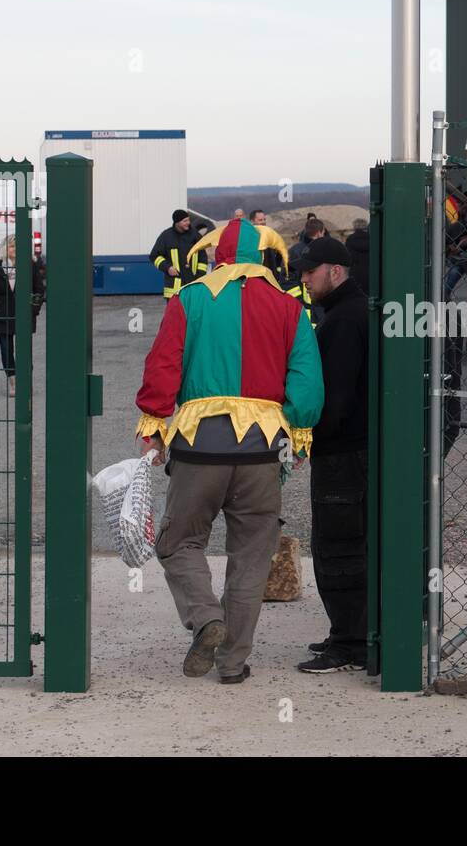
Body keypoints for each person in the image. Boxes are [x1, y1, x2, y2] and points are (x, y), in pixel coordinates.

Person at [135, 218, 324, 684]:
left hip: (198, 446)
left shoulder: (189, 299)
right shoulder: (289, 306)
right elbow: (307, 383)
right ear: (262, 256)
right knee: (252, 556)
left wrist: (154, 425)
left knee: (178, 543)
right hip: (263, 450)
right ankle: (233, 663)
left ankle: (205, 618)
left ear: (216, 254)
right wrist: (297, 434)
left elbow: (163, 365)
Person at [291, 236, 369, 673]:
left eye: (310, 270)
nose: (304, 278)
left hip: (343, 454)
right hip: (354, 450)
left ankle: (352, 644)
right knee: (349, 542)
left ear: (335, 271)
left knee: (339, 547)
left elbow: (334, 398)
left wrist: (309, 439)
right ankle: (351, 633)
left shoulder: (342, 320)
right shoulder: (350, 311)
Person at [0, 235, 44, 398]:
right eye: (12, 246)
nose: (15, 250)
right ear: (5, 248)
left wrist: (34, 310)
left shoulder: (29, 265)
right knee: (6, 350)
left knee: (25, 351)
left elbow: (39, 289)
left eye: (18, 247)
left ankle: (26, 383)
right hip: (3, 316)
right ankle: (13, 383)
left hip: (24, 315)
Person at [149, 210, 207, 299]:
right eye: (185, 221)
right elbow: (154, 256)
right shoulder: (166, 236)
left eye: (188, 220)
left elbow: (203, 257)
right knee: (175, 313)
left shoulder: (195, 235)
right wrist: (168, 268)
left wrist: (199, 276)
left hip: (193, 284)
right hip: (174, 289)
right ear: (177, 222)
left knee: (192, 312)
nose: (188, 223)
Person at [345, 217, 370, 293]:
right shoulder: (372, 239)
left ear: (354, 227)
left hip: (355, 272)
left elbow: (348, 257)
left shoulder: (350, 239)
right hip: (370, 273)